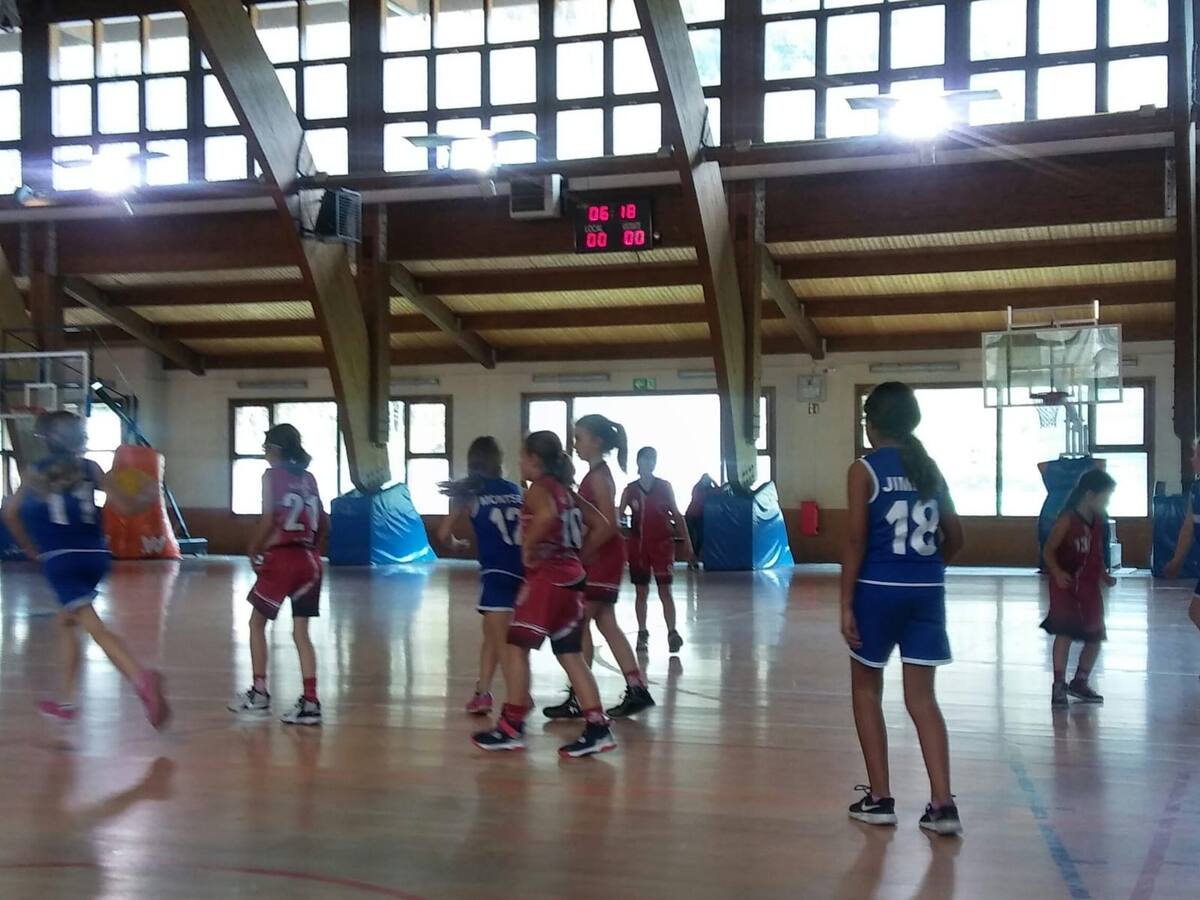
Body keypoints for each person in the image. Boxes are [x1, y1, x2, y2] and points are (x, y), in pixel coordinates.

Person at [840, 382, 965, 836]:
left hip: (877, 590)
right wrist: (925, 570)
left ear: (871, 424)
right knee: (923, 700)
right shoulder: (929, 469)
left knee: (865, 691)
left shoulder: (864, 469)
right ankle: (943, 805)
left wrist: (846, 603)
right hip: (927, 591)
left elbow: (856, 540)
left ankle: (880, 799)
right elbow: (957, 537)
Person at [2, 411, 169, 729]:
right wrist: (147, 495)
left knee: (95, 627)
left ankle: (140, 677)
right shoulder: (91, 468)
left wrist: (30, 548)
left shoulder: (35, 472)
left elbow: (11, 513)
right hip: (96, 556)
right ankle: (67, 702)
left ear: (45, 440)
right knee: (66, 622)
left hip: (61, 559)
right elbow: (126, 507)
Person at [472, 431, 618, 757]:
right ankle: (598, 727)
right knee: (570, 654)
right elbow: (601, 524)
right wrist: (579, 556)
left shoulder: (540, 490)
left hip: (548, 580)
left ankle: (512, 726)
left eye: (522, 457)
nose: (519, 463)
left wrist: (527, 545)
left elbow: (548, 515)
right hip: (573, 580)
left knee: (515, 647)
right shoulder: (566, 490)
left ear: (534, 460)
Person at [542, 413, 655, 720]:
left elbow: (607, 524)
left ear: (597, 441)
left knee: (579, 627)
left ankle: (581, 697)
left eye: (579, 438)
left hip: (601, 557)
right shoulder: (595, 475)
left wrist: (583, 554)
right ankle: (637, 689)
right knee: (606, 622)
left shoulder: (598, 478)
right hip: (604, 555)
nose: (575, 444)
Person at [228, 423, 328, 726]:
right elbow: (324, 522)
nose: (264, 454)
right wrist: (313, 550)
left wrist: (253, 547)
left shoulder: (271, 476)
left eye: (266, 448)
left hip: (283, 558)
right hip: (311, 561)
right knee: (301, 633)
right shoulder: (309, 478)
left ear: (276, 450)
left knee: (256, 623)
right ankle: (310, 702)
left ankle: (259, 693)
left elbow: (269, 517)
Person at [438, 436, 524, 716]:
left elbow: (443, 533)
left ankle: (519, 700)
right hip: (523, 572)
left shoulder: (470, 494)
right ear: (498, 460)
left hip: (497, 573)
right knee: (492, 634)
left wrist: (456, 545)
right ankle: (482, 693)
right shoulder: (516, 490)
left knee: (503, 643)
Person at [1041, 468, 1117, 708]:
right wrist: (1057, 571)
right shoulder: (1068, 519)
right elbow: (1048, 550)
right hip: (1066, 585)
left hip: (1089, 586)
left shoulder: (1098, 521)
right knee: (1064, 633)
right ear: (1089, 494)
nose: (1106, 503)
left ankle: (1080, 681)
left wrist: (1103, 574)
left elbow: (1096, 552)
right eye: (1105, 497)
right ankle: (1059, 684)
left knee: (1095, 635)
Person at [619, 447, 693, 653]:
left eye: (653, 459)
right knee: (641, 591)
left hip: (662, 546)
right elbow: (618, 517)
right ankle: (642, 633)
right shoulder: (630, 489)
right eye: (646, 459)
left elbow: (676, 514)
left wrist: (687, 541)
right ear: (638, 462)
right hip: (639, 546)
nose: (649, 463)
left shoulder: (664, 487)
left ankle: (672, 632)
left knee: (665, 590)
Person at [1164, 440, 1200, 639]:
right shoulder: (1196, 488)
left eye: (1196, 454)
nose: (1192, 459)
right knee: (1196, 612)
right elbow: (1188, 527)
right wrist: (1176, 561)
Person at [685, 474, 717, 571]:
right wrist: (712, 483)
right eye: (704, 480)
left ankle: (693, 558)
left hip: (700, 516)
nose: (705, 482)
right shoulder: (697, 489)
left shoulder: (708, 490)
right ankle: (691, 560)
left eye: (707, 480)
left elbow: (719, 491)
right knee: (691, 539)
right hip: (691, 515)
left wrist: (713, 480)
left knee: (700, 538)